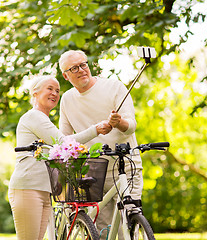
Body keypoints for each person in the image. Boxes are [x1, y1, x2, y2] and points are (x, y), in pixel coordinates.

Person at [8, 75, 112, 240]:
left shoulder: (44, 120)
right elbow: (63, 142)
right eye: (50, 88)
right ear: (35, 93)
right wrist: (95, 130)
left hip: (43, 190)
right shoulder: (33, 117)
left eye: (57, 90)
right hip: (28, 188)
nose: (55, 93)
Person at [58, 50, 143, 239]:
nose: (81, 70)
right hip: (95, 171)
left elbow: (131, 127)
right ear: (66, 75)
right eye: (74, 68)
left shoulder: (114, 87)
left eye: (83, 64)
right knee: (104, 229)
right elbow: (65, 139)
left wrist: (118, 122)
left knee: (129, 222)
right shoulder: (67, 99)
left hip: (126, 167)